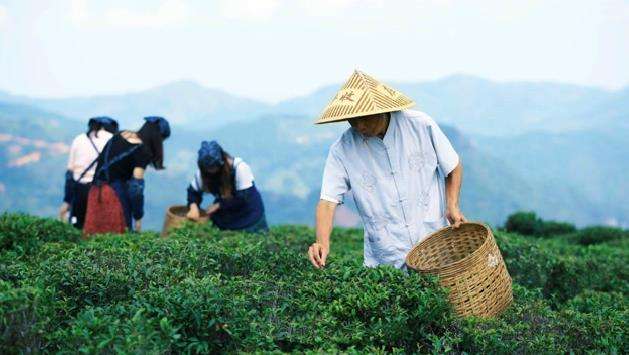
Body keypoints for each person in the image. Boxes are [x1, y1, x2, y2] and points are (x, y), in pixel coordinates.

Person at [307, 70, 467, 269]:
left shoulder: (420, 126)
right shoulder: (343, 149)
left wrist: (452, 205)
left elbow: (453, 166)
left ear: (382, 109)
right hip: (386, 255)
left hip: (434, 242)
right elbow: (327, 201)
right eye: (352, 120)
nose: (359, 126)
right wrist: (322, 242)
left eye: (364, 118)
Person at [83, 116, 170, 234]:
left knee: (93, 237)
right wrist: (138, 215)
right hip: (114, 197)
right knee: (115, 241)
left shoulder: (120, 134)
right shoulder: (142, 151)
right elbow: (136, 188)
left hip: (95, 192)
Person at [186, 140, 268, 233]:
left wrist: (219, 205)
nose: (211, 171)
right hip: (226, 217)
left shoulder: (239, 168)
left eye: (213, 167)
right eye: (207, 168)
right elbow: (193, 191)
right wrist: (193, 206)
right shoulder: (202, 173)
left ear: (221, 161)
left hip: (250, 216)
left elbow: (243, 197)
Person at [59, 116, 118, 229]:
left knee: (78, 225)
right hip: (100, 189)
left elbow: (70, 169)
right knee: (98, 227)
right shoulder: (112, 140)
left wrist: (67, 198)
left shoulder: (79, 139)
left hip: (79, 188)